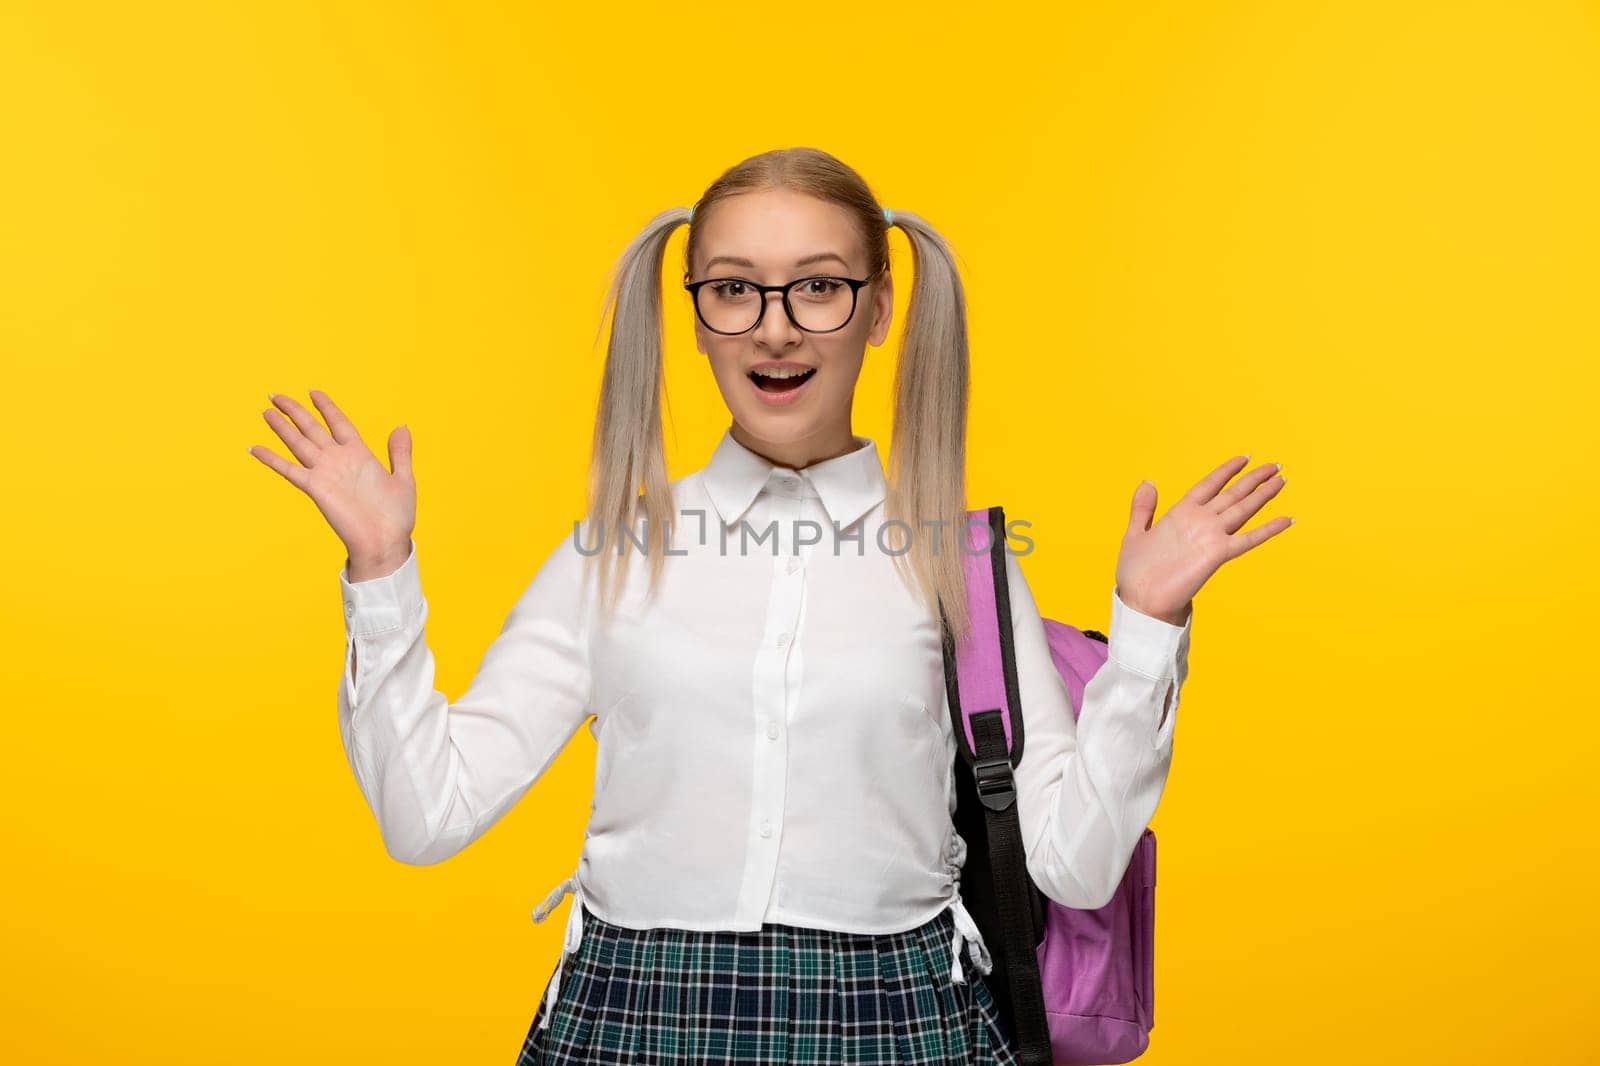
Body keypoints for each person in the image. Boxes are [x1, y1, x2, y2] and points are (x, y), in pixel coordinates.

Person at [248, 146, 1291, 1064]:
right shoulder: (616, 549)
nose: (776, 329)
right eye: (735, 289)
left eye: (819, 287)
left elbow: (1072, 858)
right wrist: (381, 571)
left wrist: (1146, 629)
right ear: (694, 314)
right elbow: (426, 813)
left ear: (880, 308)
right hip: (636, 1017)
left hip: (899, 1020)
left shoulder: (958, 558)